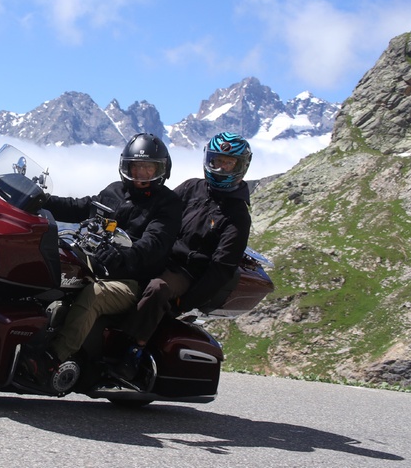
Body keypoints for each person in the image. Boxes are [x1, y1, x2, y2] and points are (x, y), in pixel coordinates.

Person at [21, 133, 180, 385]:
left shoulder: (168, 204)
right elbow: (82, 207)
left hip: (130, 280)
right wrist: (41, 201)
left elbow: (154, 243)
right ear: (126, 166)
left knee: (95, 295)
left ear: (162, 169)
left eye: (149, 168)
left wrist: (123, 255)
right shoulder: (114, 191)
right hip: (94, 264)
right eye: (136, 167)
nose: (141, 174)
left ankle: (52, 359)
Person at [115, 131, 253, 380]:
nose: (220, 167)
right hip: (160, 254)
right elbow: (159, 209)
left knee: (158, 288)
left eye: (228, 162)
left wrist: (187, 301)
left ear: (240, 166)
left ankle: (132, 348)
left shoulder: (238, 215)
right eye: (216, 160)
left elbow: (221, 267)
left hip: (185, 272)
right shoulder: (192, 187)